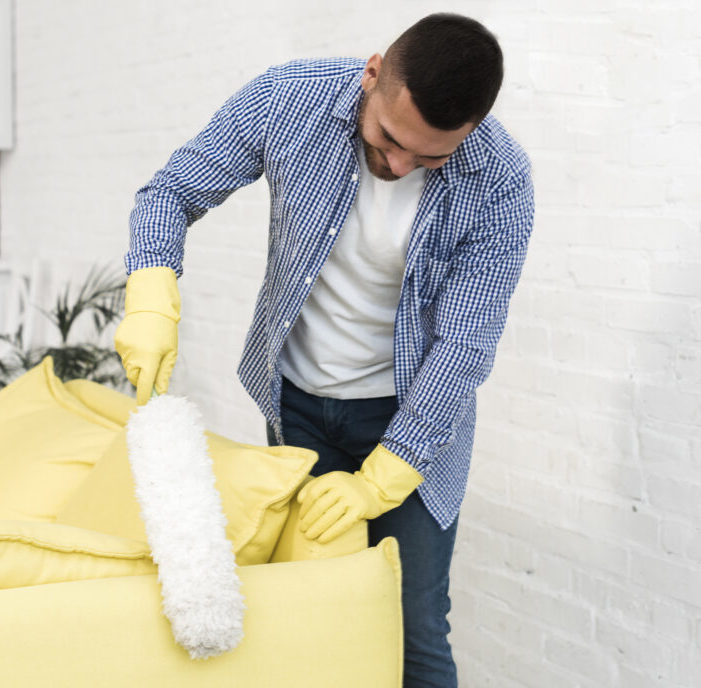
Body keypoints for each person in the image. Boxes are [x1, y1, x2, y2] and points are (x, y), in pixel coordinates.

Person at [114, 12, 534, 688]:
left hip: (412, 421)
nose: (400, 165)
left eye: (431, 157)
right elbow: (172, 192)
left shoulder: (500, 179)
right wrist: (150, 295)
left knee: (414, 628)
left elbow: (464, 343)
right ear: (373, 75)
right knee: (310, 618)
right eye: (390, 138)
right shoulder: (288, 100)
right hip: (299, 408)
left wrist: (380, 478)